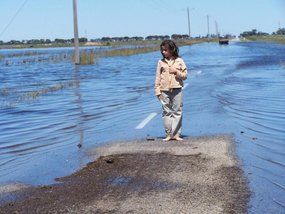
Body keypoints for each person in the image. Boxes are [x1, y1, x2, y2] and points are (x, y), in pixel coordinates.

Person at [155, 39, 187, 141]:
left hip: (177, 89)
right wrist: (157, 91)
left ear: (172, 50)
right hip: (164, 90)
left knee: (177, 111)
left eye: (165, 50)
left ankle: (176, 134)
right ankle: (169, 134)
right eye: (162, 50)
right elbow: (157, 77)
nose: (163, 52)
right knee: (166, 112)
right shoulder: (161, 62)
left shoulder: (180, 61)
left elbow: (185, 76)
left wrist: (176, 72)